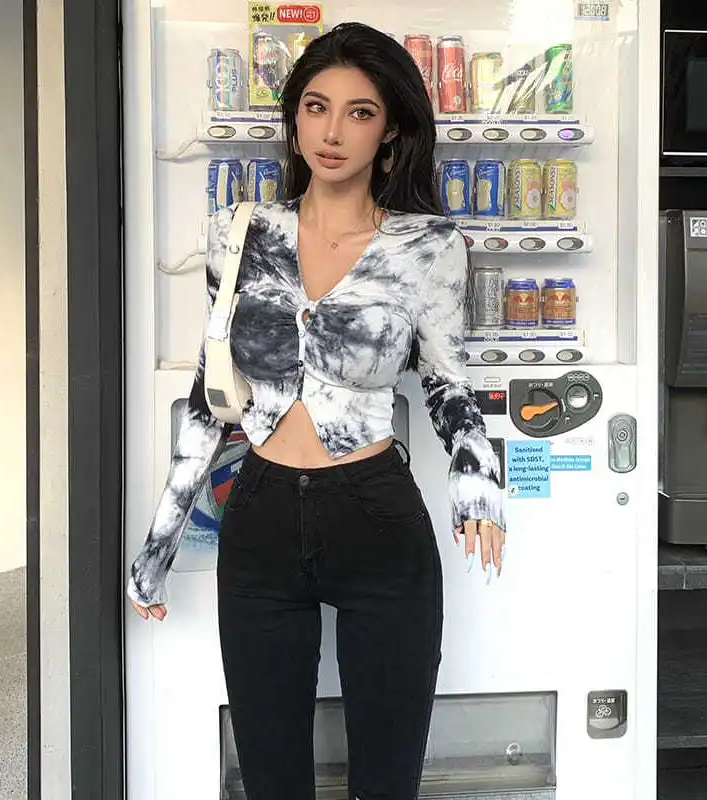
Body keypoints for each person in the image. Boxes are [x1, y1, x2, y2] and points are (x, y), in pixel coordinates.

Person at [127, 21, 506, 800]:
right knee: (270, 780)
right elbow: (210, 395)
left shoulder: (429, 246)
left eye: (360, 112)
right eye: (316, 107)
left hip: (376, 515)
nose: (333, 132)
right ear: (295, 118)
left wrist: (478, 482)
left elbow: (446, 382)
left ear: (390, 129)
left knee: (386, 782)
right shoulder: (239, 233)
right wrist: (158, 544)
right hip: (260, 514)